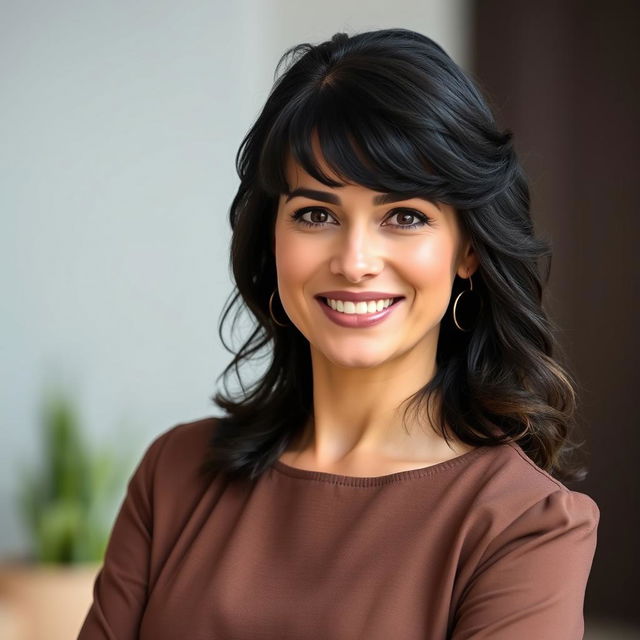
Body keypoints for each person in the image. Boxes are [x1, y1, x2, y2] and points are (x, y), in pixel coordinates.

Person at [78, 28, 599, 639]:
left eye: (404, 216)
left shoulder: (525, 523)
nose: (355, 261)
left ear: (468, 251)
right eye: (316, 214)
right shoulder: (175, 474)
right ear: (273, 240)